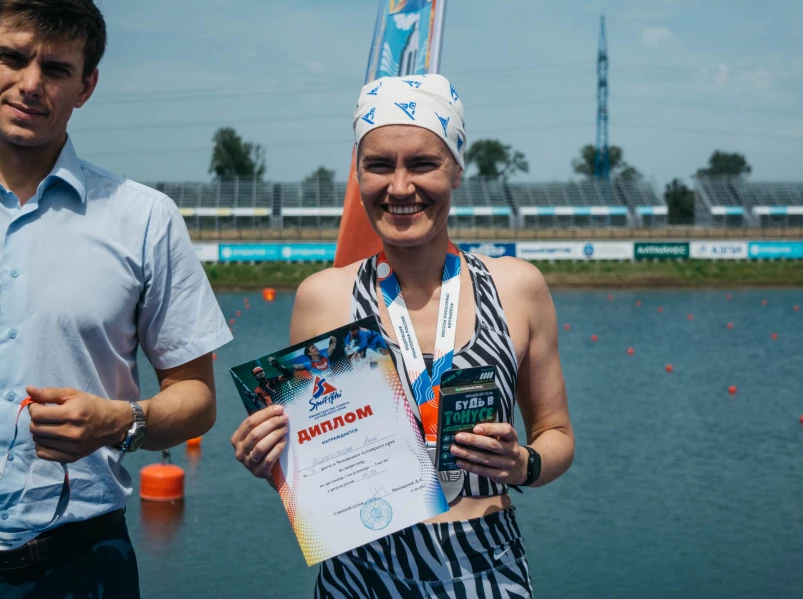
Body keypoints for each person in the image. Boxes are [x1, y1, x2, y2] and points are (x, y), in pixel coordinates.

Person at [231, 74, 574, 598]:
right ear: (357, 174)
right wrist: (270, 459)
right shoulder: (323, 298)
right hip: (362, 573)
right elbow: (314, 473)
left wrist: (523, 462)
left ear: (456, 169)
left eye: (421, 163)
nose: (399, 187)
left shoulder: (517, 287)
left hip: (484, 567)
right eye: (378, 165)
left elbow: (558, 435)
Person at [0, 1, 232, 596]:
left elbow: (198, 399)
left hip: (79, 563)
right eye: (11, 57)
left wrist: (118, 422)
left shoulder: (144, 220)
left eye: (55, 68)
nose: (30, 84)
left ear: (87, 86)